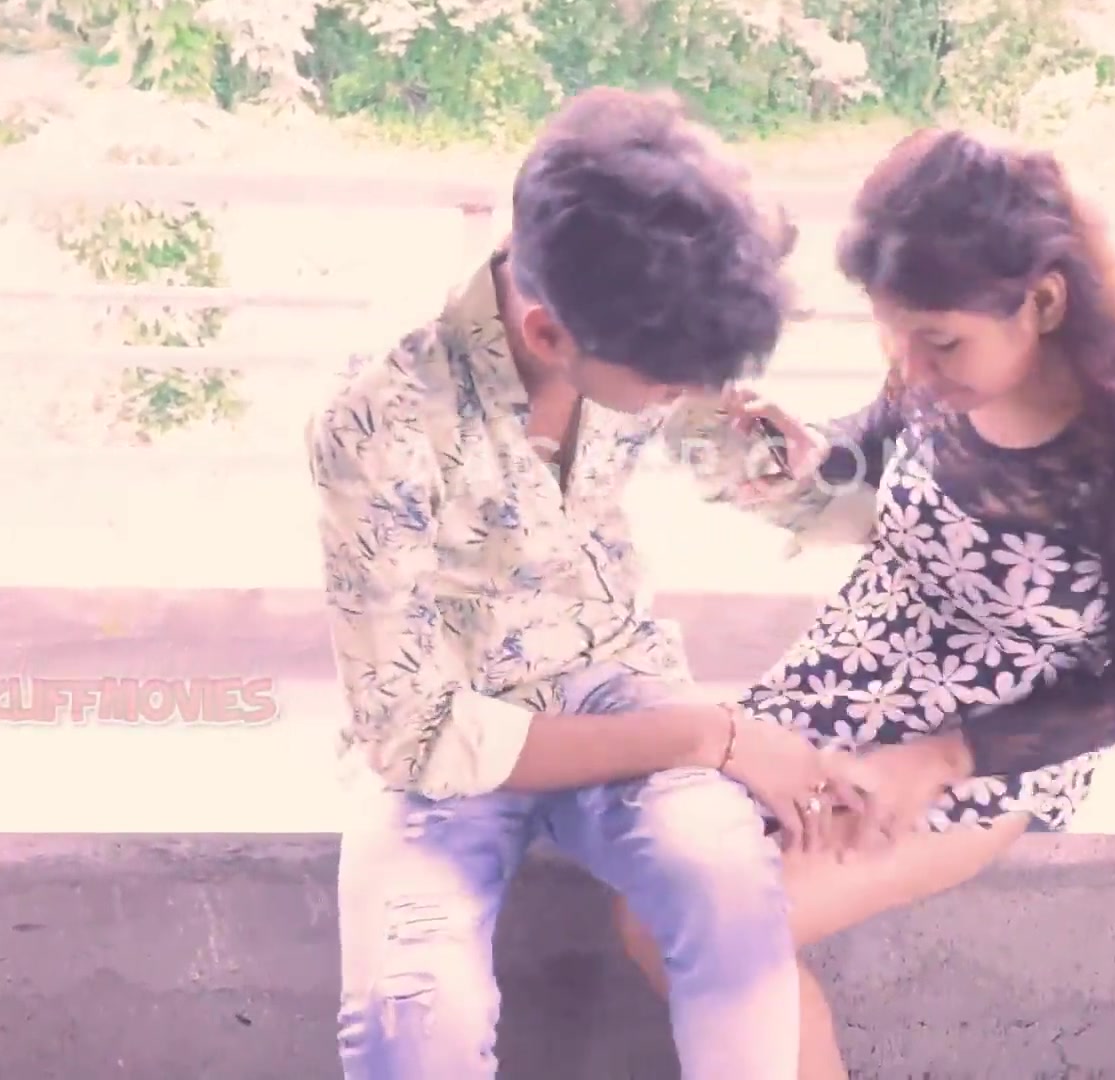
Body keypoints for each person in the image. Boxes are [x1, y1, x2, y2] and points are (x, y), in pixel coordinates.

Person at [617, 129, 1115, 1077]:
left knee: (704, 921)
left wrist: (942, 759)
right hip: (846, 673)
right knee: (654, 898)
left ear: (1044, 301)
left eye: (940, 340)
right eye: (894, 337)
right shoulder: (933, 373)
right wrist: (806, 458)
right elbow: (874, 442)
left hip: (990, 744)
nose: (915, 367)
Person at [307, 87, 869, 1080]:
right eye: (668, 380)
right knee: (414, 1015)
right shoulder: (379, 413)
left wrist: (793, 470)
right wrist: (716, 736)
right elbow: (414, 730)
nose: (685, 392)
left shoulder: (629, 311)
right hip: (447, 726)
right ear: (547, 335)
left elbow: (715, 439)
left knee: (731, 885)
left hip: (612, 673)